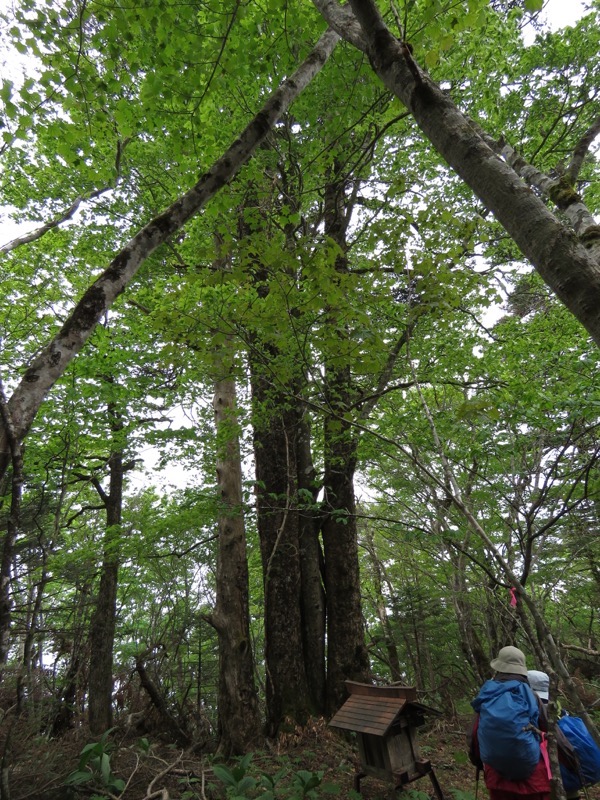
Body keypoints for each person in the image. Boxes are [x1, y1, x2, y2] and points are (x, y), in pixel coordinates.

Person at [468, 646, 552, 800]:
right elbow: (550, 732)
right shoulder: (531, 697)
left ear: (499, 670)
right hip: (534, 780)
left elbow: (474, 735)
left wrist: (480, 764)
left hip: (497, 779)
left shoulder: (486, 697)